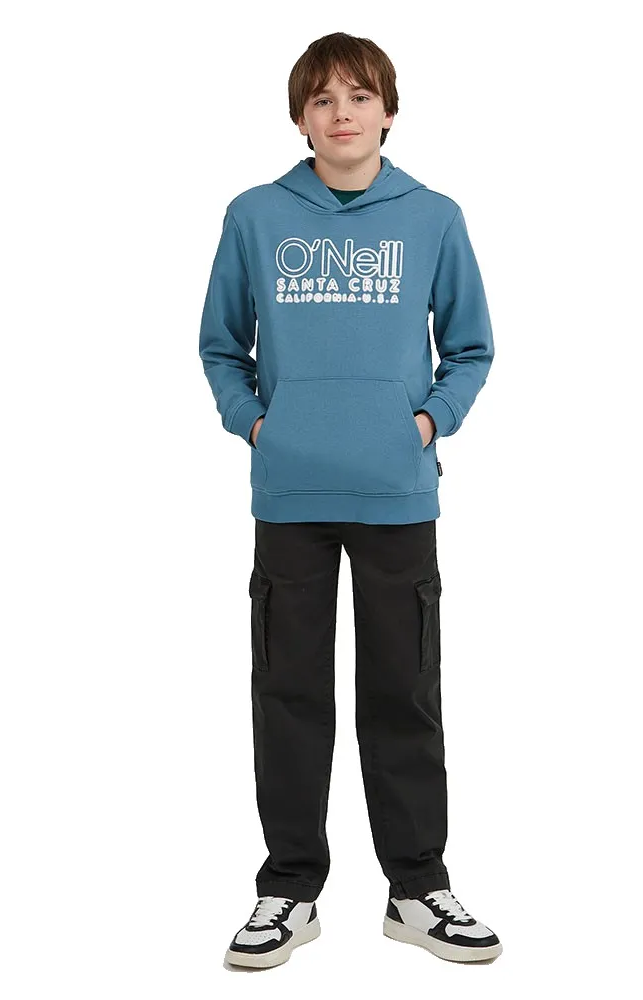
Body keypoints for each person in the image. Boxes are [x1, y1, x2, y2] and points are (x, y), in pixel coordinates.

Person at [199, 32, 499, 968]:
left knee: (403, 691)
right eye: (324, 99)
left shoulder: (433, 218)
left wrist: (427, 423)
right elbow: (220, 346)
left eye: (360, 97)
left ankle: (416, 888)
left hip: (398, 493)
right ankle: (289, 891)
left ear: (388, 111)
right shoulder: (255, 216)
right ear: (301, 117)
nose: (342, 114)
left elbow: (472, 347)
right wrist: (258, 426)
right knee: (288, 692)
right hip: (290, 491)